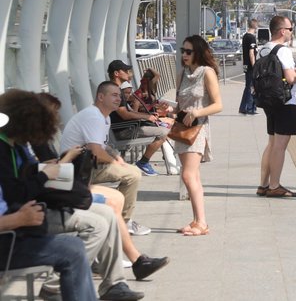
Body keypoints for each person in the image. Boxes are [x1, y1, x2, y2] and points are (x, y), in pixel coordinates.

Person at [0, 90, 146, 301]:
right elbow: (16, 192)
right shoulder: (7, 149)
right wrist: (43, 175)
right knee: (94, 227)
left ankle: (114, 284)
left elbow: (21, 184)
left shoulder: (16, 146)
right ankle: (54, 287)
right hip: (20, 224)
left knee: (107, 213)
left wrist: (43, 173)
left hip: (29, 212)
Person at [32, 93, 169, 283]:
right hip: (55, 192)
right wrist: (69, 157)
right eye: (52, 113)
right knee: (111, 203)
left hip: (62, 185)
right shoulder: (36, 140)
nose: (56, 118)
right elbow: (50, 174)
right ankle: (130, 260)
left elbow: (49, 172)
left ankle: (126, 258)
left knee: (116, 197)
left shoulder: (40, 138)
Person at [0, 108, 98, 301]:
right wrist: (18, 218)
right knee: (73, 249)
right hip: (7, 241)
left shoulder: (15, 149)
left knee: (74, 245)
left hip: (15, 233)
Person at [60, 82, 149, 238]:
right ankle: (124, 221)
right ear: (101, 97)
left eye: (119, 95)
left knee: (131, 170)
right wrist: (114, 162)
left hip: (87, 165)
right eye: (114, 95)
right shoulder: (93, 116)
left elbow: (103, 146)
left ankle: (121, 219)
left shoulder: (104, 117)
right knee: (133, 174)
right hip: (76, 169)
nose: (119, 98)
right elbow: (96, 152)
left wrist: (117, 157)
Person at [174, 35, 223, 236]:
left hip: (198, 129)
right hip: (182, 130)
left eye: (189, 51)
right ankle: (196, 221)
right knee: (193, 176)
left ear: (198, 53)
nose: (184, 55)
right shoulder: (182, 74)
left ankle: (202, 222)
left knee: (187, 175)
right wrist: (168, 112)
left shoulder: (207, 72)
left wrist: (197, 112)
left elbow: (218, 104)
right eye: (182, 51)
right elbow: (179, 105)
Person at [255, 16, 296, 198]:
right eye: (290, 28)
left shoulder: (263, 49)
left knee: (272, 143)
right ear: (282, 31)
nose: (291, 31)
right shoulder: (283, 51)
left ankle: (263, 184)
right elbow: (290, 78)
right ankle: (274, 185)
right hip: (285, 101)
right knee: (280, 145)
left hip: (269, 101)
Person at [107, 60, 170, 177]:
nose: (128, 73)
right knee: (163, 132)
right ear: (116, 73)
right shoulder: (115, 91)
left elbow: (128, 112)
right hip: (123, 131)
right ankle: (143, 162)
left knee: (162, 128)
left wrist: (147, 117)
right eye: (125, 71)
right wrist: (147, 117)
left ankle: (143, 162)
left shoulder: (114, 89)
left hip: (126, 127)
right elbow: (125, 114)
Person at [239, 18, 258, 115]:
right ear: (255, 26)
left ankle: (243, 107)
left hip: (246, 65)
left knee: (247, 86)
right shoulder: (251, 37)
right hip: (251, 66)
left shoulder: (245, 36)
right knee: (251, 86)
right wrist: (254, 66)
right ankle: (250, 108)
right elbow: (251, 53)